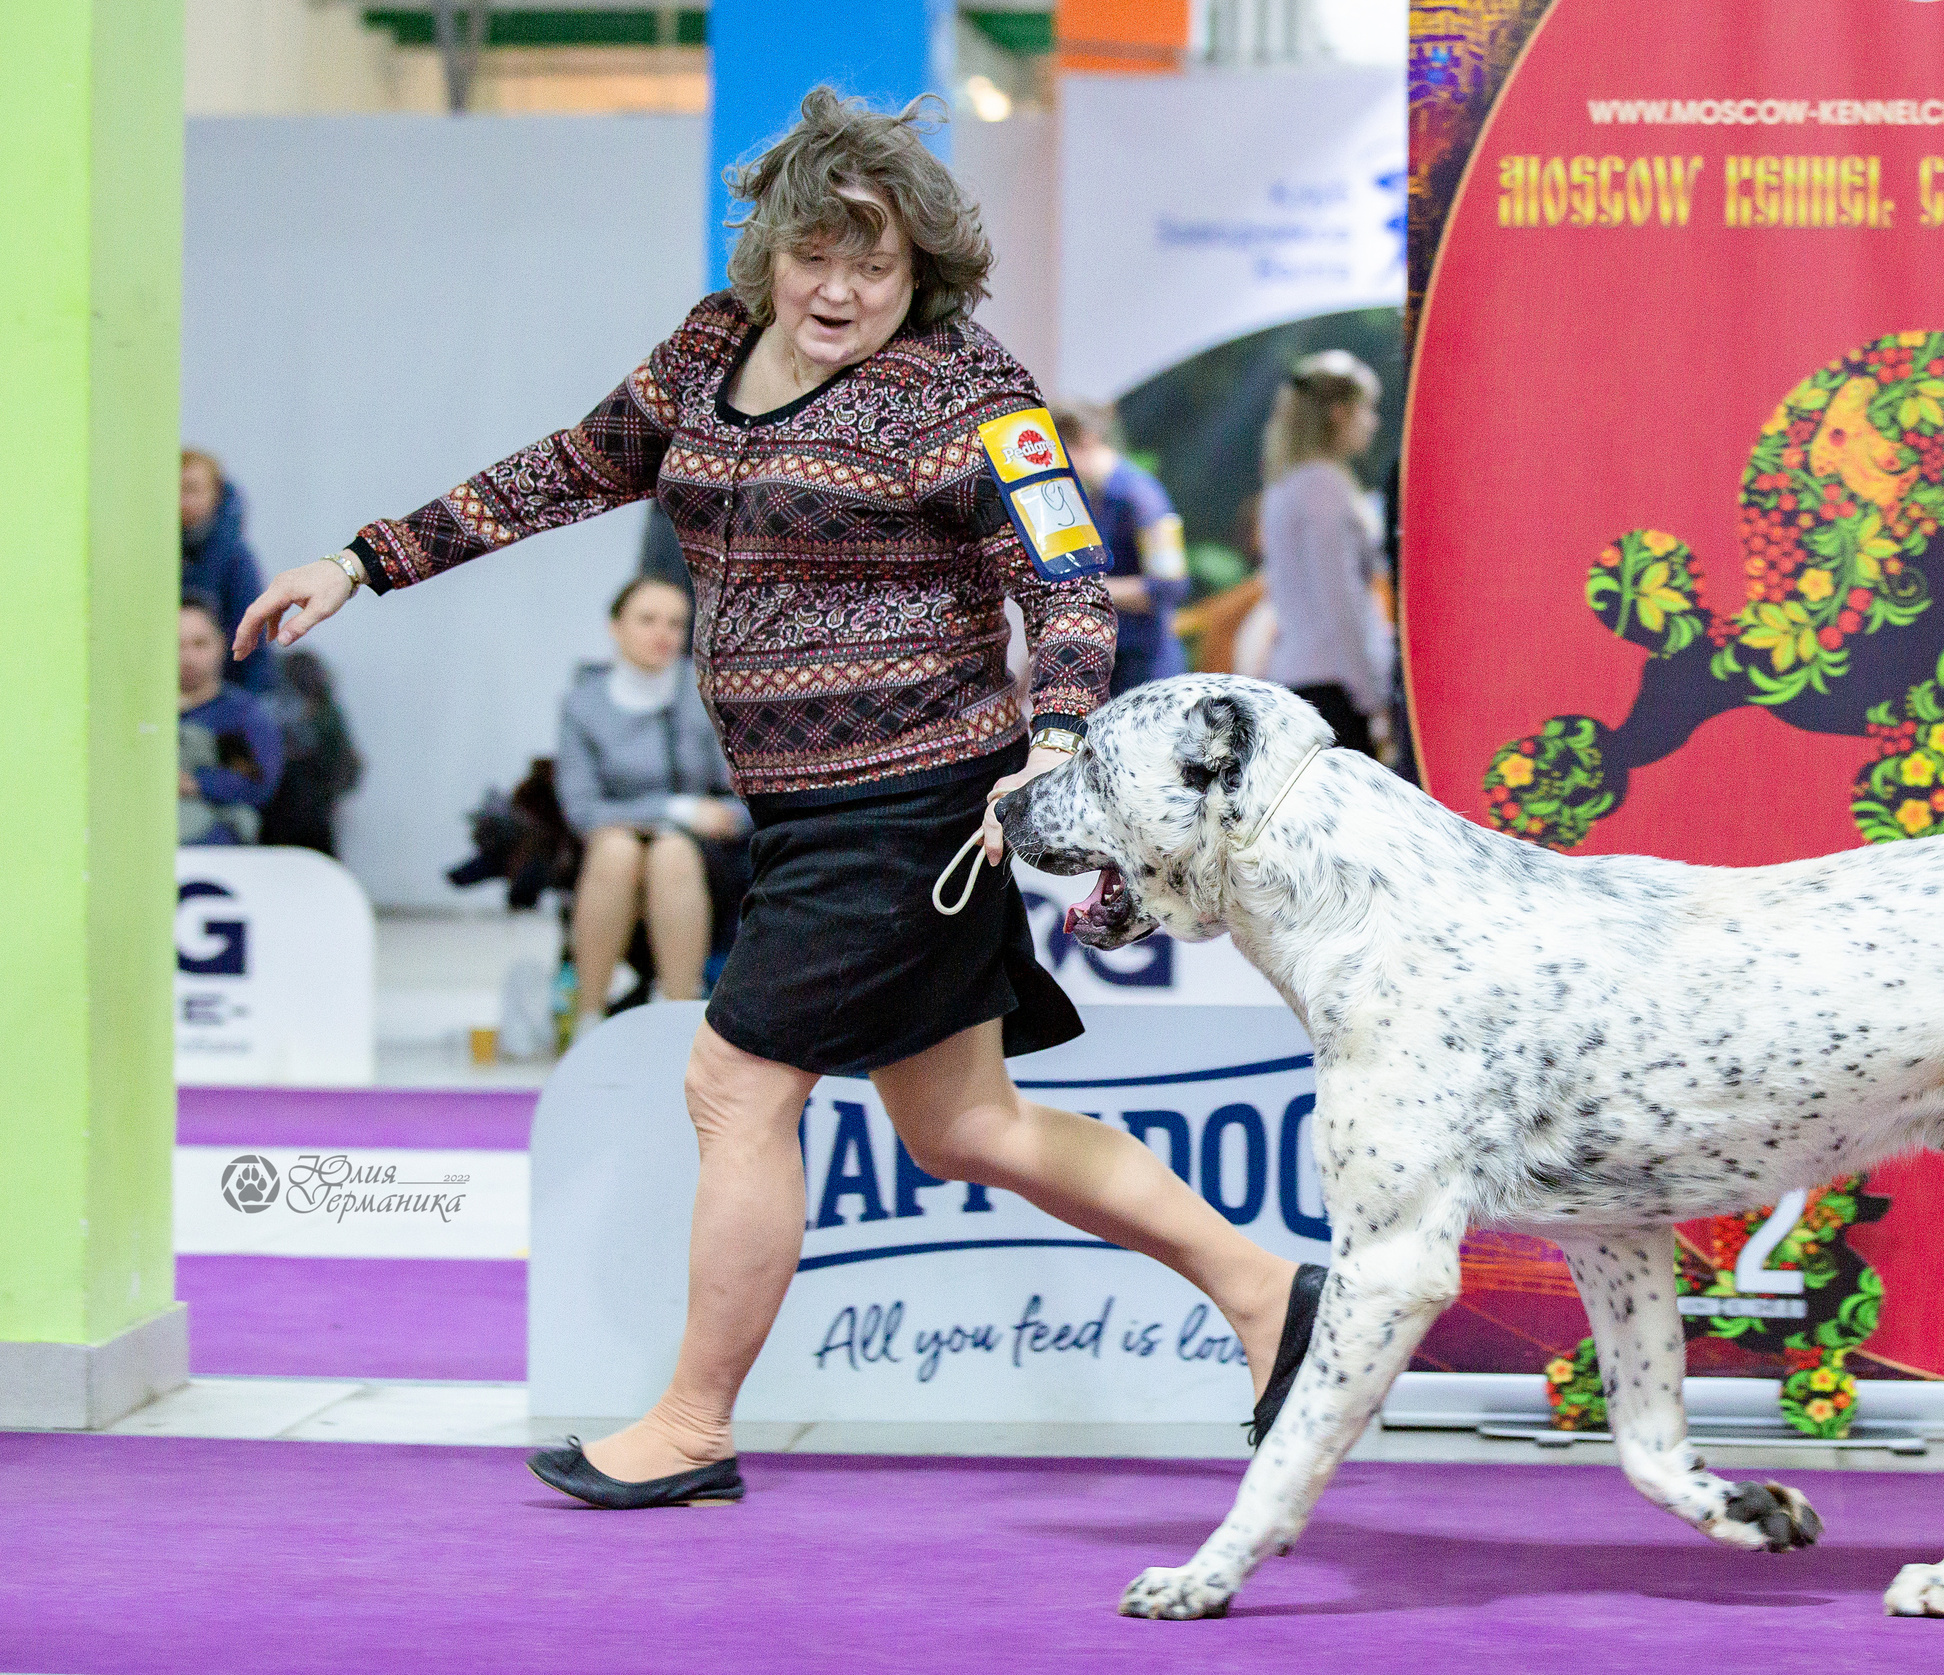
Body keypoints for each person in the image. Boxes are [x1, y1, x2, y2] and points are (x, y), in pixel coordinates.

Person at [232, 87, 1320, 1508]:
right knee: (967, 1128)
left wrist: (1055, 741)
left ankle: (691, 1424)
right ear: (770, 249)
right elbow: (562, 471)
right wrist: (360, 562)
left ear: (923, 271)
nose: (840, 290)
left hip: (916, 801)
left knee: (734, 1083)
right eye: (816, 254)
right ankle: (1268, 1291)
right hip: (794, 806)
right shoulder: (707, 349)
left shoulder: (970, 393)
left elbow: (1064, 582)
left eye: (877, 265)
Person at [557, 575, 750, 1035]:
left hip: (704, 853)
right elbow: (582, 809)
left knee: (671, 853)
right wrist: (675, 810)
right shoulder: (583, 706)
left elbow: (747, 794)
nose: (662, 633)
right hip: (614, 846)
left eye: (675, 623)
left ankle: (678, 1022)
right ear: (615, 627)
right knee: (616, 850)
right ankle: (589, 1016)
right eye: (647, 620)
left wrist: (725, 817)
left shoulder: (707, 694)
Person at [1257, 350, 1394, 758]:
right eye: (1366, 409)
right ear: (1338, 413)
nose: (1373, 422)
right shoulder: (1323, 486)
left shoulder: (1285, 485)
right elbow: (1341, 602)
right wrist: (1373, 695)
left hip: (1303, 680)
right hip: (1334, 689)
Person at [1055, 399, 1188, 698]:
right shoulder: (1093, 499)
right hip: (1115, 670)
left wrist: (1085, 588)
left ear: (1085, 439)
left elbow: (1170, 586)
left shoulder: (1140, 495)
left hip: (1150, 672)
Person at [179, 597, 282, 845]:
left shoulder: (241, 716)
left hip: (218, 847)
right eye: (177, 645)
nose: (188, 657)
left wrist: (194, 783)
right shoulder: (137, 715)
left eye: (200, 644)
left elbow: (258, 783)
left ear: (222, 643)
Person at [181, 448, 277, 694]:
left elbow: (253, 635)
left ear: (215, 494)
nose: (183, 500)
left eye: (192, 489)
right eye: (177, 490)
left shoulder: (235, 558)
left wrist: (246, 703)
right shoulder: (155, 551)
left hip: (226, 691)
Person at [258, 649, 365, 856]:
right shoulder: (261, 713)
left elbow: (349, 767)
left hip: (313, 810)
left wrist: (326, 791)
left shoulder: (326, 716)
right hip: (270, 812)